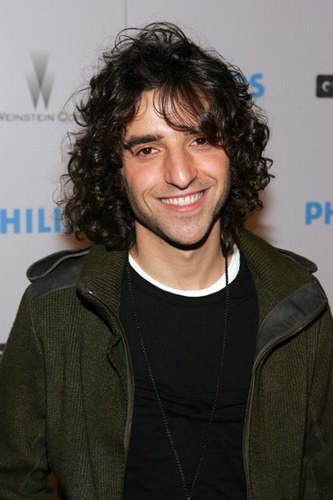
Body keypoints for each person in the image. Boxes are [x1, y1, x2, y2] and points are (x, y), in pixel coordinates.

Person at [0, 22, 332, 500]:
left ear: (232, 152)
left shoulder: (299, 306)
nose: (181, 175)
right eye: (148, 148)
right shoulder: (55, 311)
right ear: (115, 169)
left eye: (200, 140)